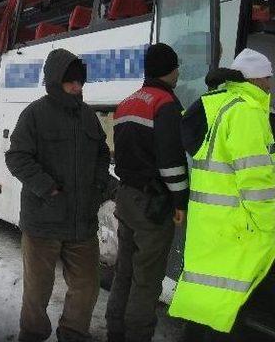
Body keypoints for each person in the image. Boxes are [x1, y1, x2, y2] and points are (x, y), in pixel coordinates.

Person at [169, 48, 275, 339]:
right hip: (238, 226)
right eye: (268, 78)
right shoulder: (246, 112)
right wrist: (270, 223)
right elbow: (256, 180)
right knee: (229, 305)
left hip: (210, 224)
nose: (269, 85)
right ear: (256, 80)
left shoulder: (218, 104)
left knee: (207, 301)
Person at [5, 48, 110, 342]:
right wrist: (47, 187)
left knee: (87, 286)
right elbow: (17, 157)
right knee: (37, 290)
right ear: (55, 80)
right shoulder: (35, 114)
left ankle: (74, 333)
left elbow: (102, 154)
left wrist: (100, 184)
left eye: (80, 82)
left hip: (81, 222)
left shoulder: (88, 116)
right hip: (43, 222)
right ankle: (33, 334)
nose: (77, 87)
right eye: (70, 81)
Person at [105, 43, 189, 342]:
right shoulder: (165, 104)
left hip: (126, 197)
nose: (179, 72)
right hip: (152, 205)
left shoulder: (127, 102)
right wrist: (180, 201)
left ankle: (115, 328)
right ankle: (137, 335)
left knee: (124, 272)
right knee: (147, 279)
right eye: (176, 67)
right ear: (170, 69)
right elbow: (171, 164)